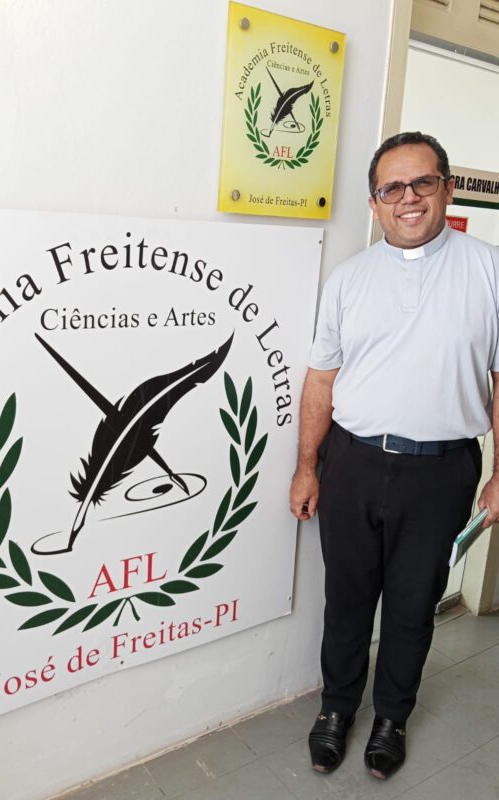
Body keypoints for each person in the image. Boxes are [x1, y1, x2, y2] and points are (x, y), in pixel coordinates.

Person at [289, 131, 499, 780]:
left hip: (442, 472)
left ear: (447, 188)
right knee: (347, 600)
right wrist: (306, 465)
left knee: (412, 606)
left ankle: (391, 719)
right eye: (392, 188)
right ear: (375, 202)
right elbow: (321, 379)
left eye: (423, 182)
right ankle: (335, 709)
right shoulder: (349, 279)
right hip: (350, 465)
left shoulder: (490, 269)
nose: (408, 198)